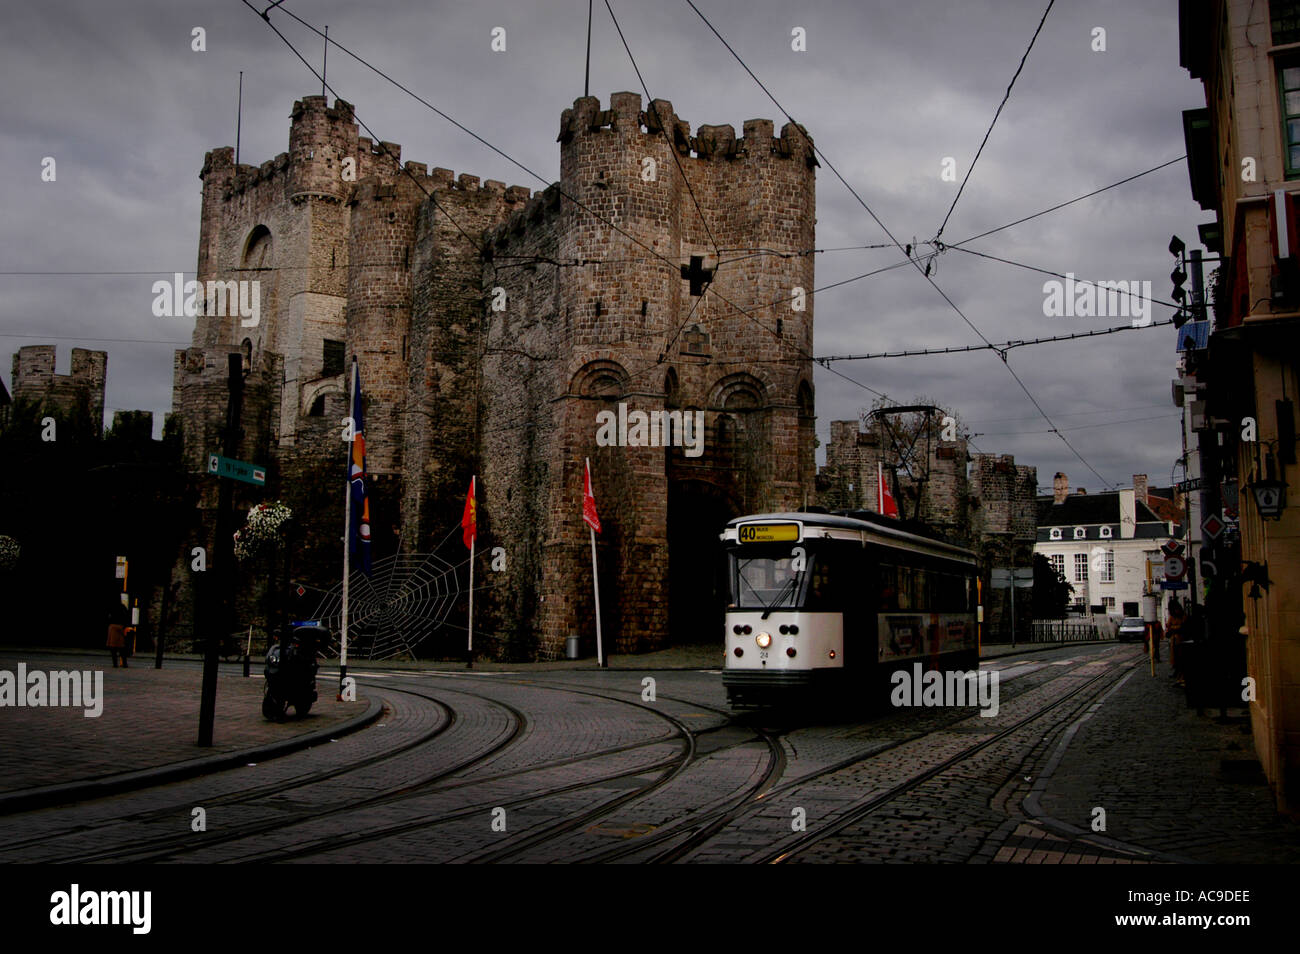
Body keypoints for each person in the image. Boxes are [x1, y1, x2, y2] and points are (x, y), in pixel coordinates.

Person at [1166, 599, 1187, 686]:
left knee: (1181, 660)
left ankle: (1182, 678)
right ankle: (1179, 678)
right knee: (1176, 660)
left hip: (1181, 641)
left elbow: (1183, 627)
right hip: (1174, 641)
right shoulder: (1172, 617)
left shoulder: (1183, 616)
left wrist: (1174, 628)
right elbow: (1168, 627)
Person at [106, 601, 129, 668]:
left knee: (113, 647)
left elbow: (108, 616)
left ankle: (115, 663)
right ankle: (124, 663)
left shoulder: (111, 607)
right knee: (121, 646)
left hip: (113, 626)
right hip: (121, 627)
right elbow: (126, 616)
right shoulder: (123, 607)